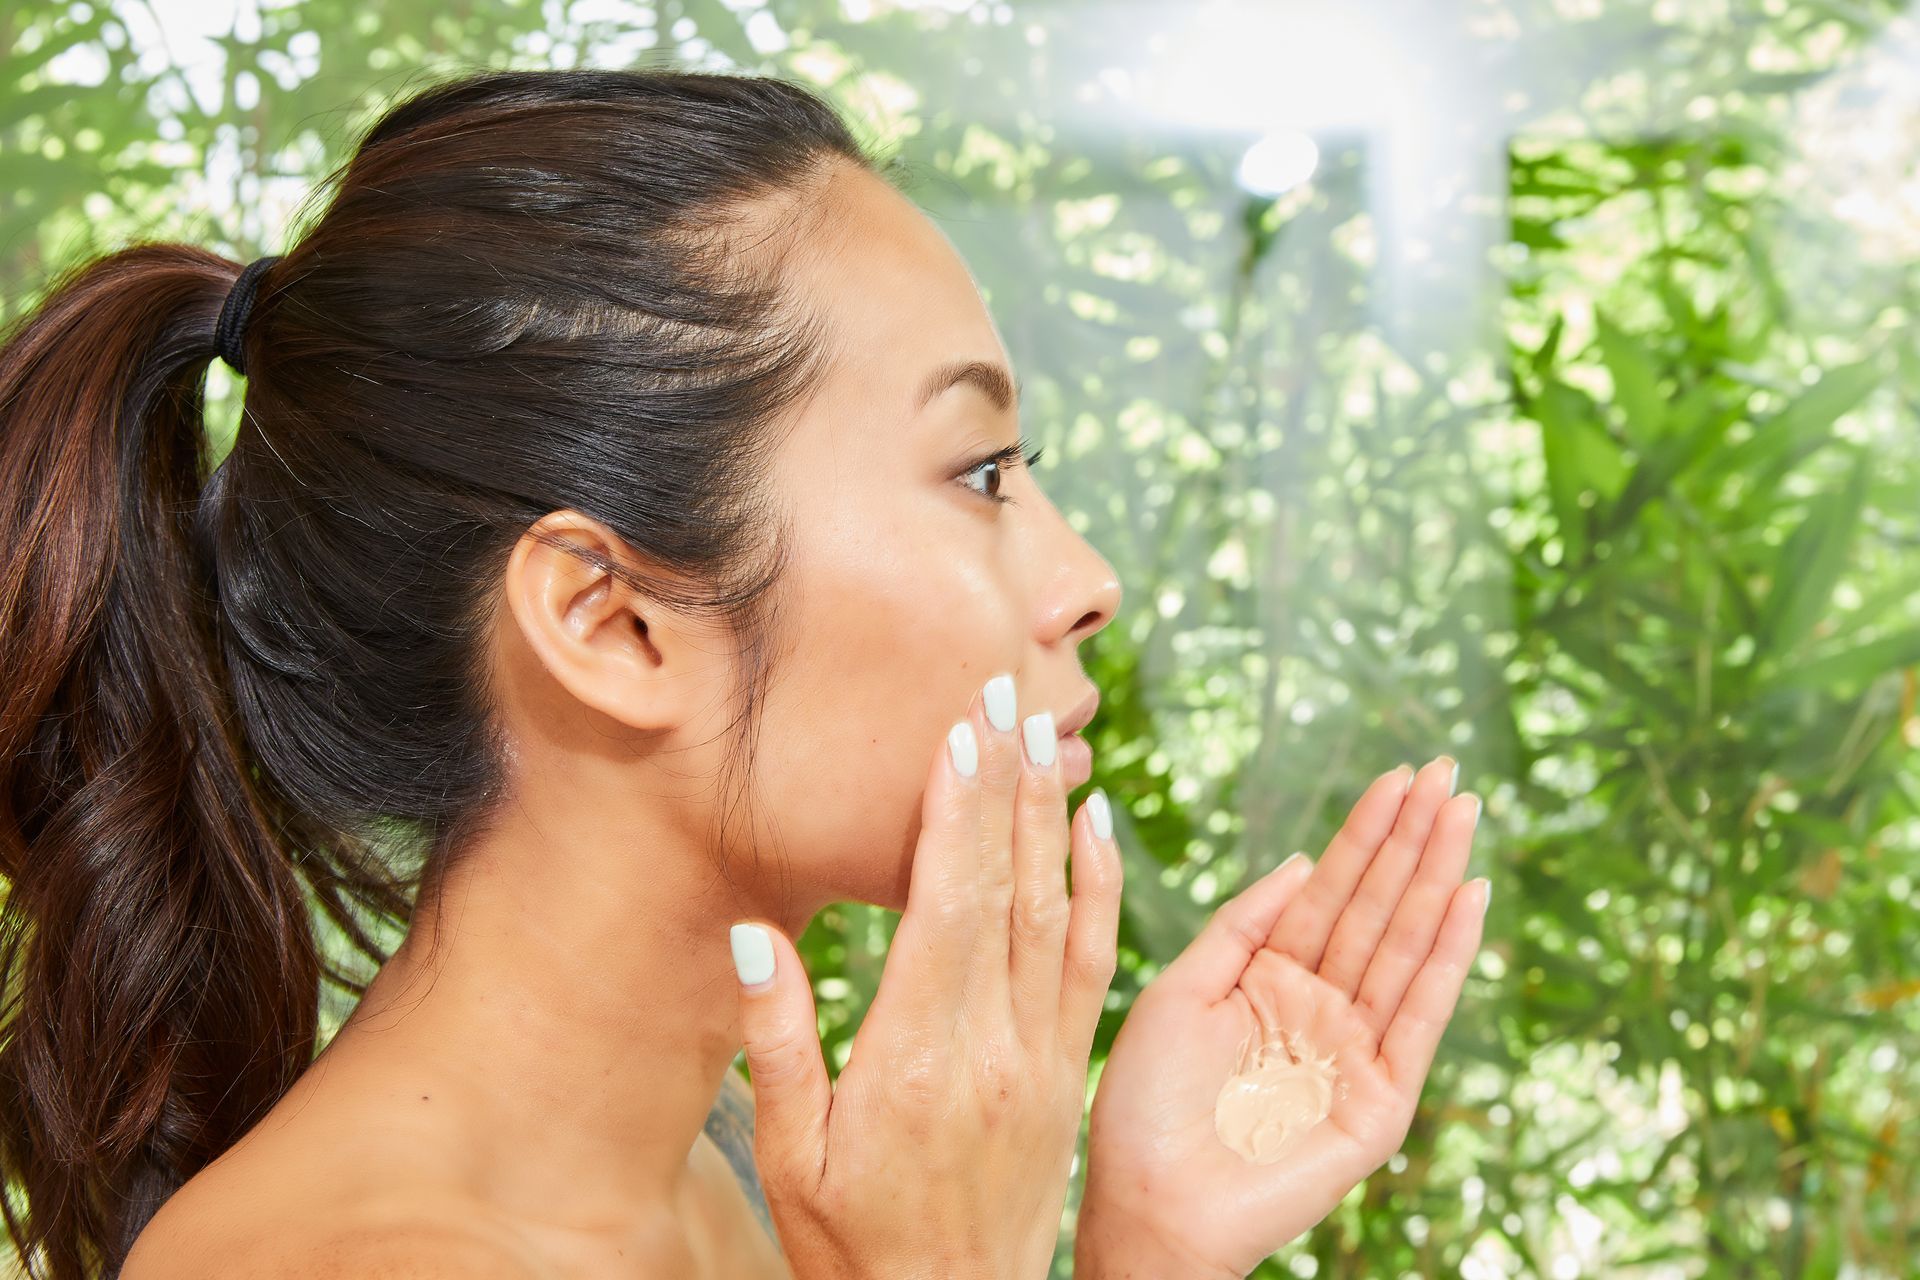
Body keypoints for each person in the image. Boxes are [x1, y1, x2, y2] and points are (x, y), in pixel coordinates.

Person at [0, 65, 1488, 1280]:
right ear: (612, 624)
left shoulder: (729, 1186)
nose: (1088, 586)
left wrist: (1144, 1254)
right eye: (979, 475)